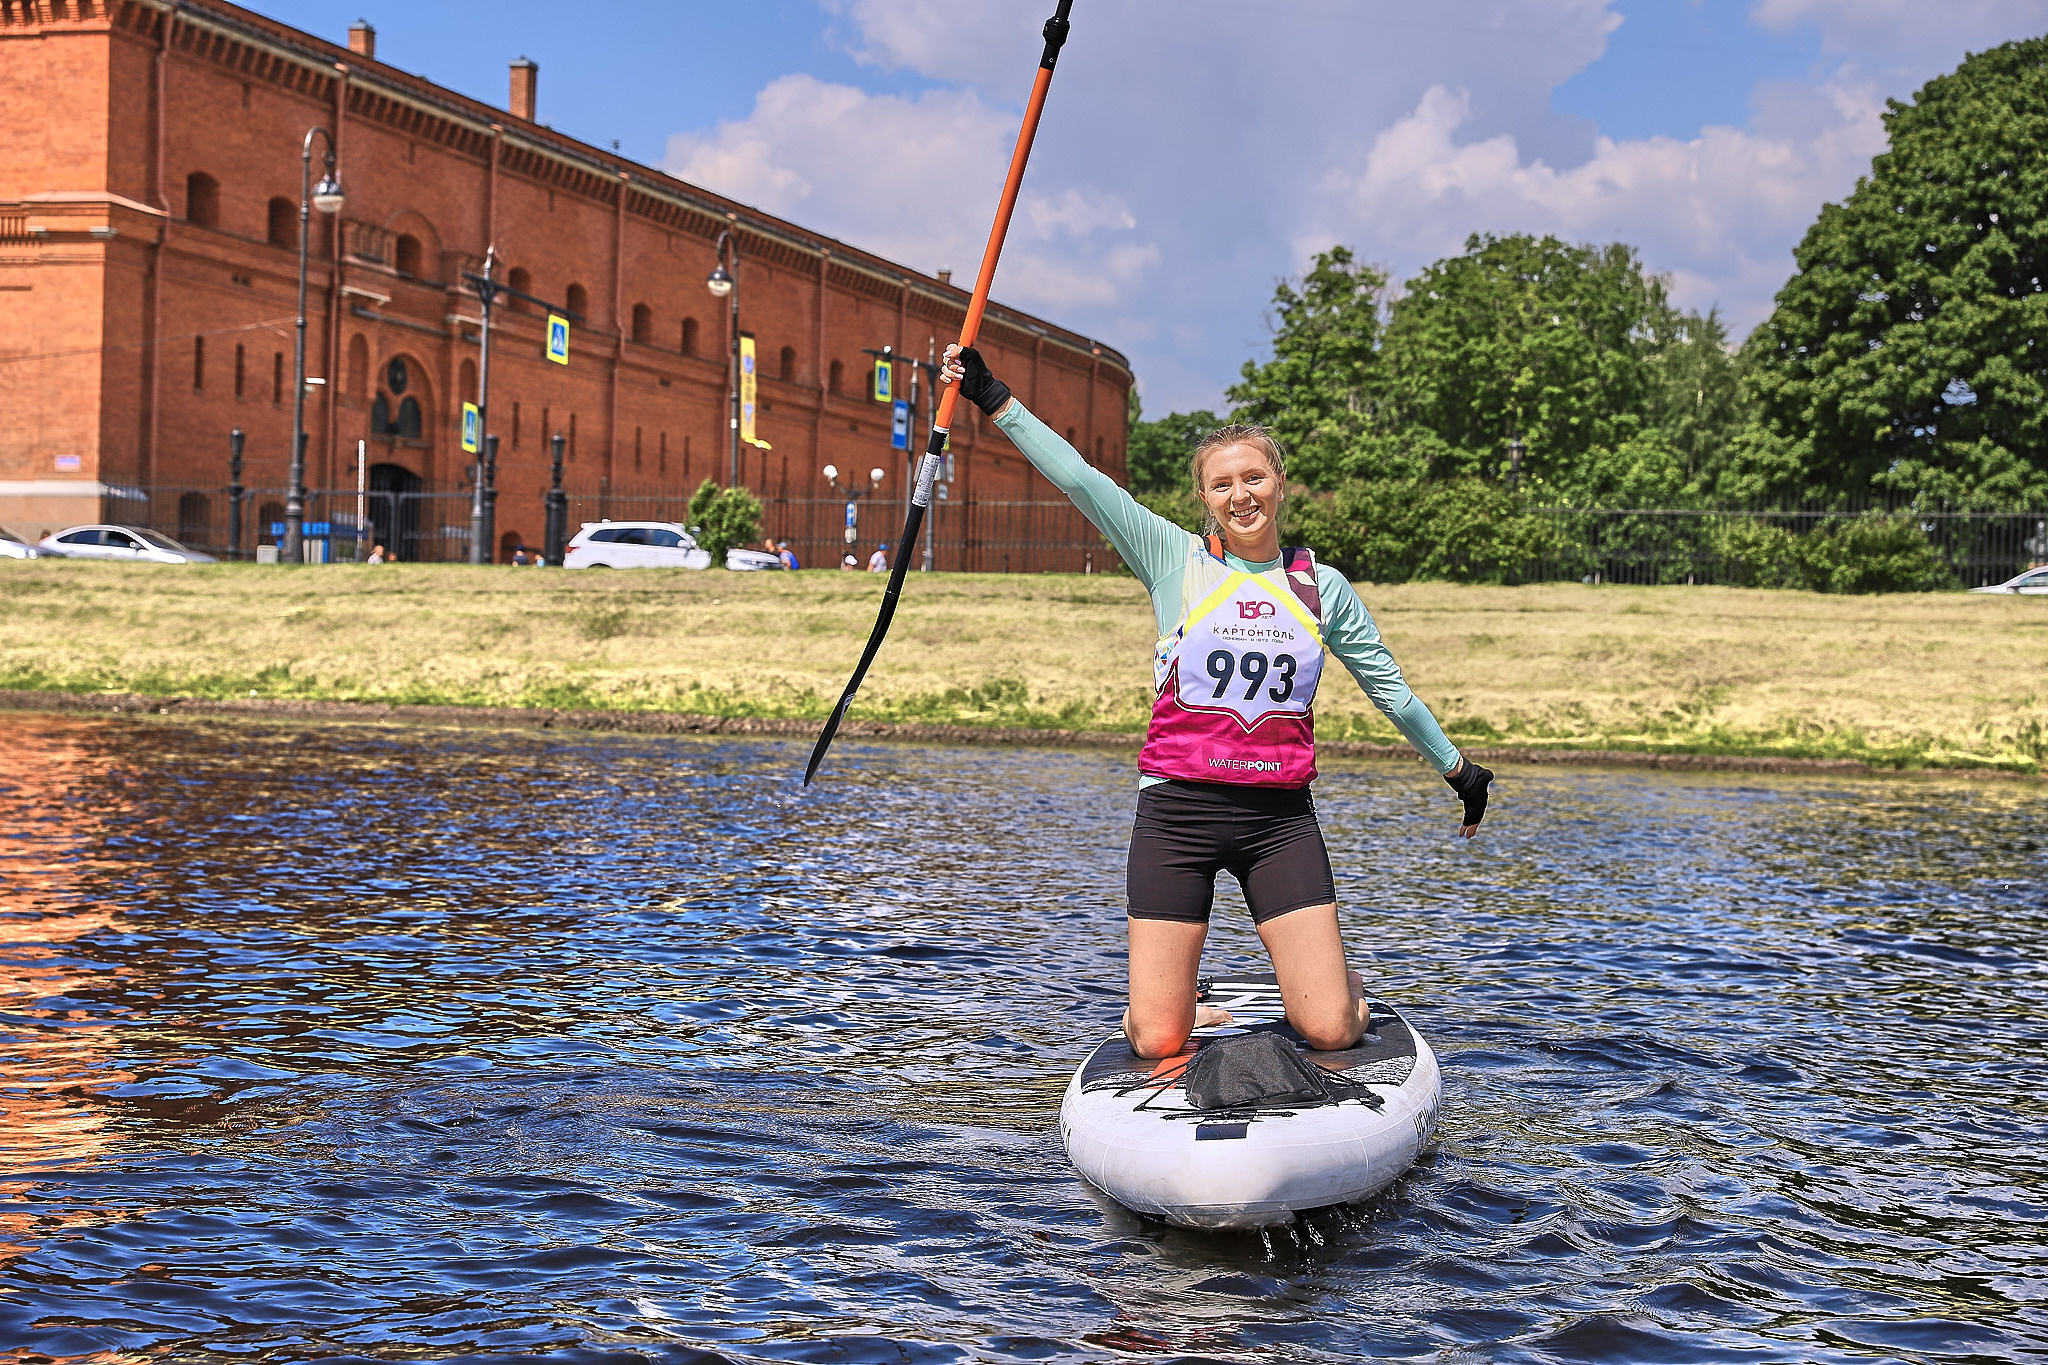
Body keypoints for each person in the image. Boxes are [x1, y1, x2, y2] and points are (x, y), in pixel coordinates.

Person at [940, 343, 1494, 1060]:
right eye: (1223, 483)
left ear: (1281, 483)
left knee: (1330, 1026)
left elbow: (1388, 687)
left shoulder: (1323, 588)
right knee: (1159, 1037)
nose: (1241, 495)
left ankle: (1342, 981)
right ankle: (1171, 999)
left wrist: (1460, 771)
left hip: (1278, 820)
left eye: (1254, 476)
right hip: (1178, 813)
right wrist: (994, 397)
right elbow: (1080, 479)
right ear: (1204, 498)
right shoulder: (1175, 560)